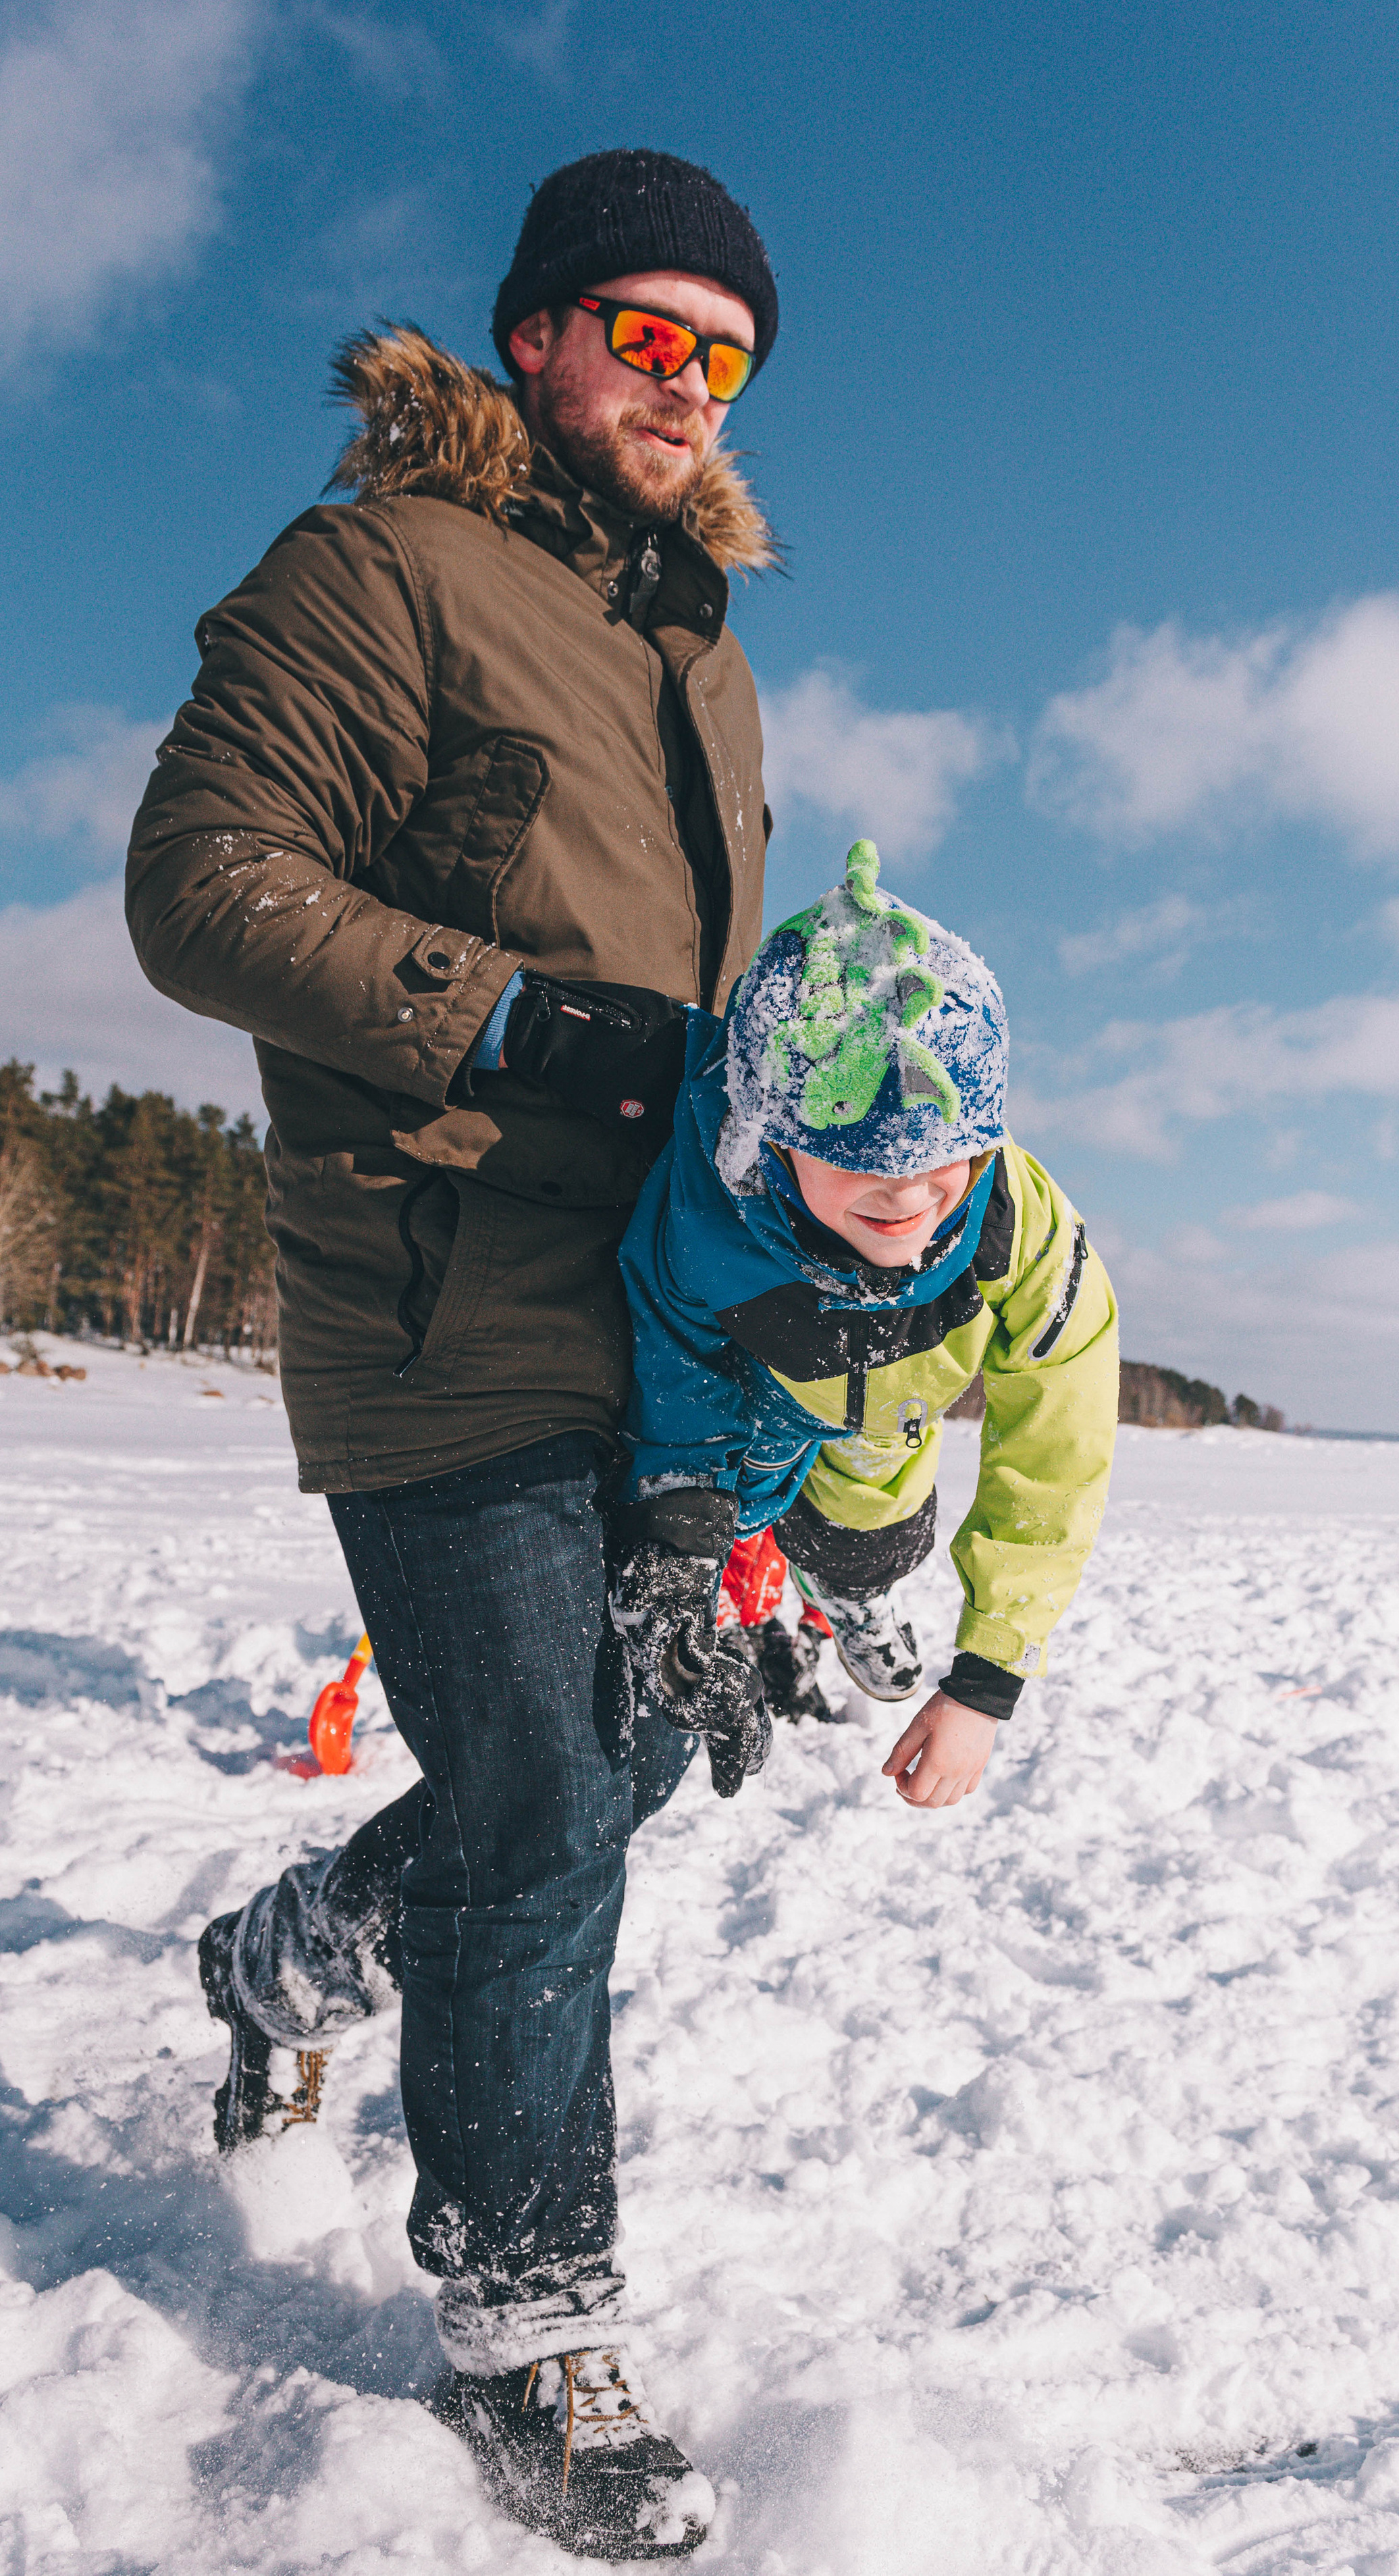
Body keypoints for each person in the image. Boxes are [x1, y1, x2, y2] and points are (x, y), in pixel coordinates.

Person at [124, 151, 783, 2560]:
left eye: (728, 358)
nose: (687, 387)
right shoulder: (380, 568)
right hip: (434, 1293)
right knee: (538, 1805)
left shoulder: (706, 655)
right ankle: (525, 2321)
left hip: (654, 1332)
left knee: (614, 1767)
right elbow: (198, 880)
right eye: (648, 333)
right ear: (534, 336)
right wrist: (510, 1017)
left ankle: (291, 1948)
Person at [604, 839, 1120, 1810]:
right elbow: (679, 1385)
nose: (909, 1194)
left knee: (870, 1529)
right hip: (770, 1382)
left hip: (896, 1407)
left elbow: (1058, 1444)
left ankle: (849, 1589)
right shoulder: (709, 1208)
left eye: (942, 1153)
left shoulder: (1021, 1225)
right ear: (771, 1133)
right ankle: (770, 1558)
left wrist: (989, 1676)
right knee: (748, 1494)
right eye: (858, 1155)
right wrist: (680, 1556)